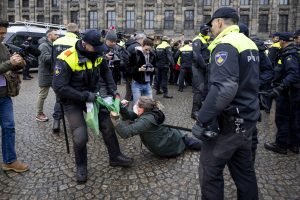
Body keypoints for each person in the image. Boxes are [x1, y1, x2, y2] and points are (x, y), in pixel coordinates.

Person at [192, 7, 259, 199]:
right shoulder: (248, 42)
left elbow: (224, 88)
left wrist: (202, 119)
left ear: (219, 22)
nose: (211, 28)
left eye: (212, 24)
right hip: (247, 119)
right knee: (245, 173)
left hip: (228, 123)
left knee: (210, 173)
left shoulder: (225, 44)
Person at [52, 29, 133, 184]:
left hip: (92, 96)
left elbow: (106, 73)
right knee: (81, 135)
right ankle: (81, 167)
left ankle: (115, 157)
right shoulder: (66, 58)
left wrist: (114, 91)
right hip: (72, 100)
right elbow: (59, 87)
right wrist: (84, 96)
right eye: (95, 47)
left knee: (107, 126)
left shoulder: (97, 54)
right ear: (85, 44)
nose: (98, 51)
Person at [110, 96, 202, 157]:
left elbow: (125, 133)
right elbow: (129, 116)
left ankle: (209, 146)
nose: (135, 106)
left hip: (168, 143)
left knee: (190, 142)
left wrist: (115, 119)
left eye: (137, 105)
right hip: (167, 141)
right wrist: (121, 107)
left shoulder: (146, 120)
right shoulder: (149, 111)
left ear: (142, 109)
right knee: (187, 140)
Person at [0, 19, 29, 172]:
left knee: (9, 127)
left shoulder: (3, 47)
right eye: (0, 33)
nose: (2, 36)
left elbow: (9, 66)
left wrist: (18, 63)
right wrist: (9, 63)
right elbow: (5, 65)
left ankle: (9, 161)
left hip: (4, 95)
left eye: (4, 33)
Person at [264, 32, 300, 155]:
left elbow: (293, 75)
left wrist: (280, 88)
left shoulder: (289, 54)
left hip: (288, 92)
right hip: (293, 91)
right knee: (294, 118)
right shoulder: (295, 51)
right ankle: (294, 145)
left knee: (282, 118)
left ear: (283, 41)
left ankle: (281, 145)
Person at [52, 23, 80, 133]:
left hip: (58, 73)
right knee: (73, 98)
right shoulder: (78, 42)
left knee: (59, 99)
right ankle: (75, 123)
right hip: (73, 75)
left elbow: (53, 60)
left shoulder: (57, 41)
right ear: (76, 31)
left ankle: (56, 121)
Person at [35, 29, 59, 122]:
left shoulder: (54, 44)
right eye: (55, 34)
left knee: (60, 93)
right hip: (45, 74)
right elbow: (45, 58)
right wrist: (58, 55)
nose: (58, 36)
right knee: (42, 95)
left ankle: (60, 111)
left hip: (54, 74)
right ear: (49, 36)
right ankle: (39, 114)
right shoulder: (43, 45)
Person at [191, 24, 210, 120]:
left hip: (205, 68)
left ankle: (202, 108)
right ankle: (194, 111)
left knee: (205, 89)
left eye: (208, 29)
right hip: (198, 68)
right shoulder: (197, 39)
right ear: (201, 30)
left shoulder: (206, 40)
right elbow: (197, 55)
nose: (207, 30)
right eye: (205, 29)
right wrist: (204, 65)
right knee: (199, 89)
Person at [131, 38, 156, 104]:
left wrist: (153, 70)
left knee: (150, 104)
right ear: (142, 45)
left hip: (147, 83)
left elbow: (155, 67)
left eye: (149, 50)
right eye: (146, 49)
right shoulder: (135, 54)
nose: (148, 52)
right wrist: (139, 69)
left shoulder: (152, 55)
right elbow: (128, 68)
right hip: (137, 83)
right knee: (137, 104)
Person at [125, 33, 147, 101]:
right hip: (134, 72)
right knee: (133, 91)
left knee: (128, 89)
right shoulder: (138, 47)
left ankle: (126, 104)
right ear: (141, 39)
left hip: (128, 70)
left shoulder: (129, 45)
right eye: (144, 40)